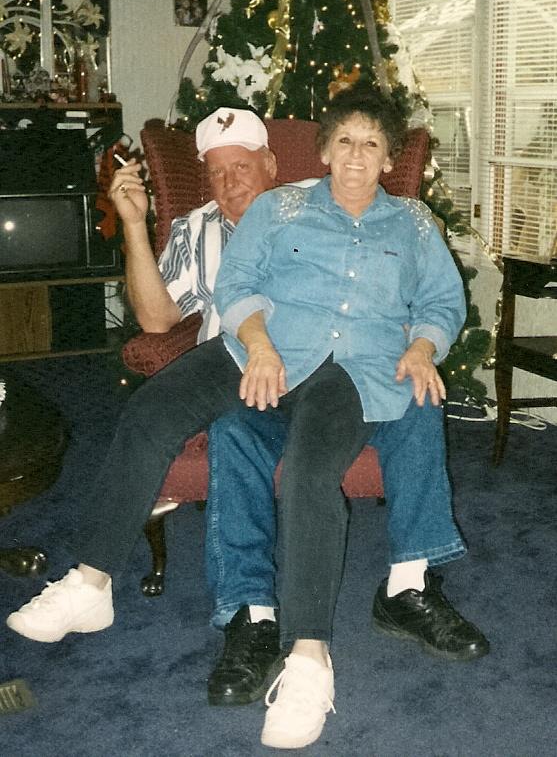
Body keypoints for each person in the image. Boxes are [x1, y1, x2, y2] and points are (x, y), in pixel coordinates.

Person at [5, 94, 488, 746]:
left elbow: (440, 301)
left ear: (388, 156)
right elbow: (235, 284)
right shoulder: (279, 206)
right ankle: (91, 580)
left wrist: (422, 344)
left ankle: (308, 662)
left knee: (313, 474)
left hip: (348, 371)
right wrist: (257, 343)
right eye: (343, 142)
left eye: (370, 145)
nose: (354, 156)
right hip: (256, 349)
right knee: (149, 412)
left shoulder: (412, 221)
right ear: (321, 150)